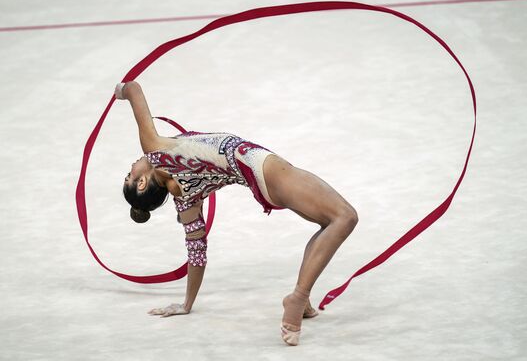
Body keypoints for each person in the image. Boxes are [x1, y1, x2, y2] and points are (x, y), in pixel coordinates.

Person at [116, 81, 359, 346]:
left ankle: (302, 300)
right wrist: (119, 91)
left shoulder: (185, 202)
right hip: (265, 169)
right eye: (130, 175)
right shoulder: (154, 150)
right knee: (344, 217)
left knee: (328, 222)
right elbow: (134, 89)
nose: (131, 167)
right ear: (141, 183)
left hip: (263, 180)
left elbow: (196, 254)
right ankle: (297, 298)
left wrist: (187, 304)